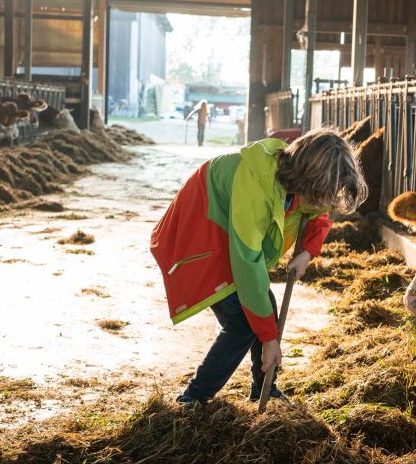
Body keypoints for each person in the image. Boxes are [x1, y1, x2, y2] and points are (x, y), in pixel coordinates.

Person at [150, 128, 368, 404]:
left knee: (265, 310)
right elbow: (248, 266)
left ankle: (264, 389)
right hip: (200, 236)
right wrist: (268, 339)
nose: (324, 202)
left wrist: (307, 252)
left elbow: (318, 213)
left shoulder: (300, 183)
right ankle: (193, 399)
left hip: (231, 238)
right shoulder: (256, 188)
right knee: (242, 323)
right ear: (307, 179)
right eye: (322, 193)